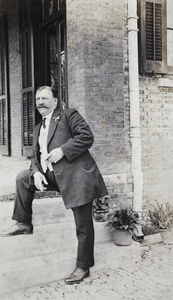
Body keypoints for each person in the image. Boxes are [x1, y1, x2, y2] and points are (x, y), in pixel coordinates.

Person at [1, 86, 108, 285]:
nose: (40, 102)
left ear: (56, 102)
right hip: (51, 176)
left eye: (45, 98)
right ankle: (23, 222)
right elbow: (34, 156)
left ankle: (83, 266)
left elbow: (86, 136)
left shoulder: (68, 115)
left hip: (76, 177)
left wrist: (62, 150)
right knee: (23, 178)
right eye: (38, 99)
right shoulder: (37, 128)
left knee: (83, 224)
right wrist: (37, 172)